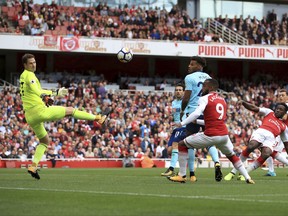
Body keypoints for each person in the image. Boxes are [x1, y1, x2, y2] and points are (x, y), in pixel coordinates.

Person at [20, 53, 110, 180]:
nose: (33, 65)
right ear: (25, 65)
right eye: (30, 63)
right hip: (39, 111)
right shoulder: (29, 75)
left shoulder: (23, 76)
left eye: (34, 62)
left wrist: (47, 96)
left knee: (45, 141)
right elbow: (37, 90)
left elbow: (34, 92)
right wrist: (52, 93)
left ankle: (33, 166)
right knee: (71, 110)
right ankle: (98, 118)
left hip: (30, 115)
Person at [168, 79, 255, 184]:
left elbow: (196, 113)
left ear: (210, 87)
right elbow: (213, 120)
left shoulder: (204, 98)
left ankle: (182, 175)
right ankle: (247, 177)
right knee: (232, 156)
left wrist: (181, 123)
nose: (202, 89)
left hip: (211, 135)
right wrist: (197, 121)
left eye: (204, 86)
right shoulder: (222, 100)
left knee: (182, 144)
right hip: (223, 135)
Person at [169, 56, 222, 183]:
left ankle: (185, 174)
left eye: (192, 64)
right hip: (206, 111)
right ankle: (217, 162)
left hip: (193, 111)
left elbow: (186, 98)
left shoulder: (189, 78)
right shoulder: (208, 78)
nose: (189, 66)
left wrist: (182, 111)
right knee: (209, 141)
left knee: (186, 142)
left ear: (199, 66)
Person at [224, 100, 288, 181]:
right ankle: (232, 172)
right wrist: (244, 103)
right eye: (277, 108)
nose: (278, 110)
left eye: (281, 109)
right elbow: (254, 108)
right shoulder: (269, 112)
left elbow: (286, 144)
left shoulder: (284, 127)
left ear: (285, 113)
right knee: (251, 146)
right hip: (261, 132)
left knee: (266, 154)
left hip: (271, 139)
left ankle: (245, 173)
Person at [160, 83, 190, 178]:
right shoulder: (173, 103)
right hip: (175, 128)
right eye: (176, 90)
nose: (178, 91)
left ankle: (171, 169)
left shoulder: (186, 101)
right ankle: (189, 159)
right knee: (169, 150)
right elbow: (174, 115)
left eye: (180, 90)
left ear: (184, 92)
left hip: (183, 126)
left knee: (175, 145)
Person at [264, 89, 288, 177]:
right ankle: (271, 170)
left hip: (283, 133)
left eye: (282, 95)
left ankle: (271, 171)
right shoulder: (280, 106)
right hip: (280, 132)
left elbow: (284, 118)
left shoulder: (286, 106)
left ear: (287, 97)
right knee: (270, 150)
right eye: (279, 95)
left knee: (271, 150)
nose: (280, 97)